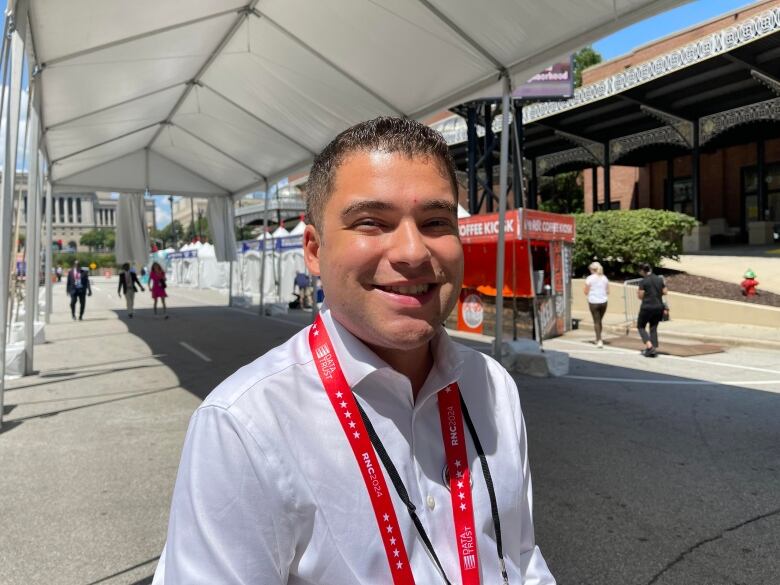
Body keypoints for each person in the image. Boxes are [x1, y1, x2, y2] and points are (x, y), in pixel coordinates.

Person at [152, 117, 555, 585]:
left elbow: (522, 560)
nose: (411, 251)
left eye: (436, 222)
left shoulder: (493, 387)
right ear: (313, 249)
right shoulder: (244, 425)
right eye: (371, 222)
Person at [636, 263, 667, 357]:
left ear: (642, 271)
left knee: (640, 326)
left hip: (647, 306)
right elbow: (665, 291)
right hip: (658, 307)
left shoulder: (643, 281)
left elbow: (640, 296)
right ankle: (653, 348)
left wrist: (639, 293)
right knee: (653, 327)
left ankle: (649, 347)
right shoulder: (659, 279)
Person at [584, 261, 609, 348]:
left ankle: (599, 340)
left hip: (594, 301)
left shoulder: (590, 278)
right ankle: (598, 338)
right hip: (604, 301)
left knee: (596, 321)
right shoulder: (604, 278)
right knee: (599, 321)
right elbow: (607, 291)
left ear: (592, 269)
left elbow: (586, 291)